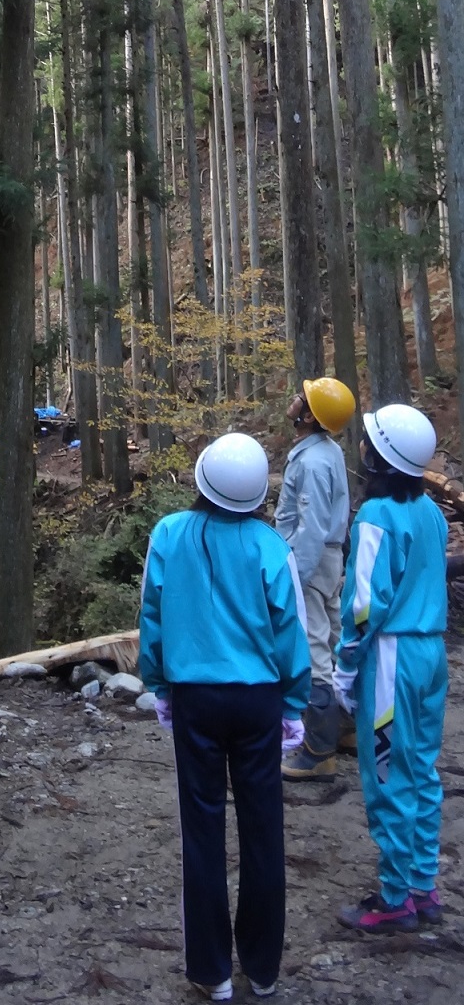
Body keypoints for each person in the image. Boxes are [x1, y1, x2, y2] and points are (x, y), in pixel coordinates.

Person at [140, 432, 311, 1002]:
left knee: (202, 828)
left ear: (202, 478)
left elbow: (152, 616)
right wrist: (293, 702)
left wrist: (160, 685)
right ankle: (263, 968)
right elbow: (292, 630)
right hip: (258, 700)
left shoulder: (169, 534)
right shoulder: (271, 545)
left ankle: (212, 972)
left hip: (196, 699)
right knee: (264, 829)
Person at [333, 403, 446, 935]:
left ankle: (395, 896)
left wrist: (346, 662)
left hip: (391, 658)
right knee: (421, 768)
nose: (362, 446)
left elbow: (363, 603)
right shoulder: (432, 513)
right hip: (431, 653)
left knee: (386, 774)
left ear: (380, 458)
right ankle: (423, 883)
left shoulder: (376, 516)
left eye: (370, 442)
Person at [276, 375, 357, 781]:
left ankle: (318, 750)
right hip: (328, 557)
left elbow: (309, 527)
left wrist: (293, 577)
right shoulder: (327, 452)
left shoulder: (310, 462)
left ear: (309, 416)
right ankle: (346, 727)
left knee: (313, 651)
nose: (295, 398)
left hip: (309, 559)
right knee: (336, 638)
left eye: (302, 398)